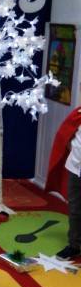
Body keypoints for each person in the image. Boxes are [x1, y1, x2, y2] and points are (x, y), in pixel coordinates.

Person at [44, 106, 81, 259]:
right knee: (75, 209)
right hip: (75, 168)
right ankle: (74, 245)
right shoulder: (78, 114)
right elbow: (65, 136)